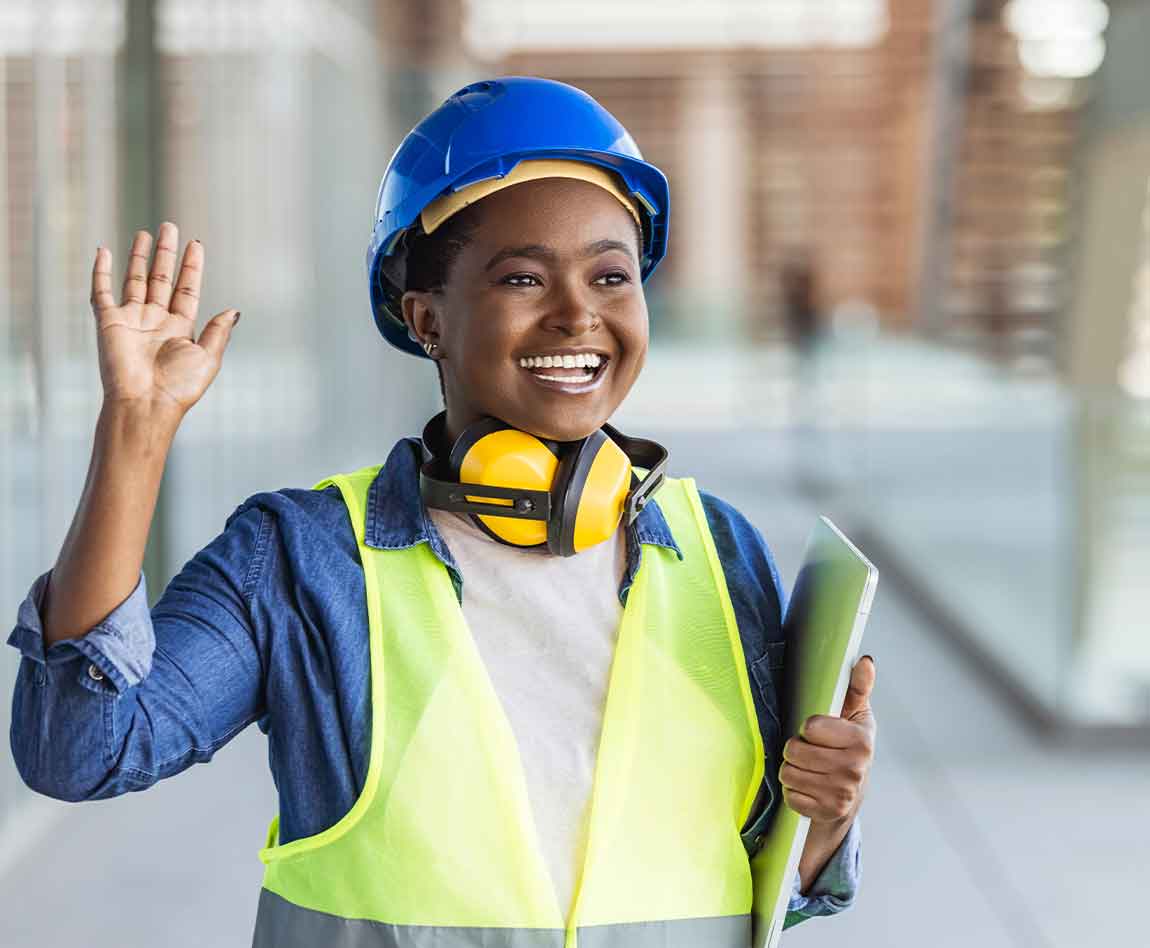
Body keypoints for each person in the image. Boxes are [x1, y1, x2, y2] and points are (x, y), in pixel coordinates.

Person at [8, 77, 876, 946]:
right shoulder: (303, 560)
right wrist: (137, 429)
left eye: (611, 275)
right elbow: (84, 752)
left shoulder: (719, 552)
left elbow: (742, 870)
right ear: (426, 318)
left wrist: (823, 818)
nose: (579, 315)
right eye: (523, 278)